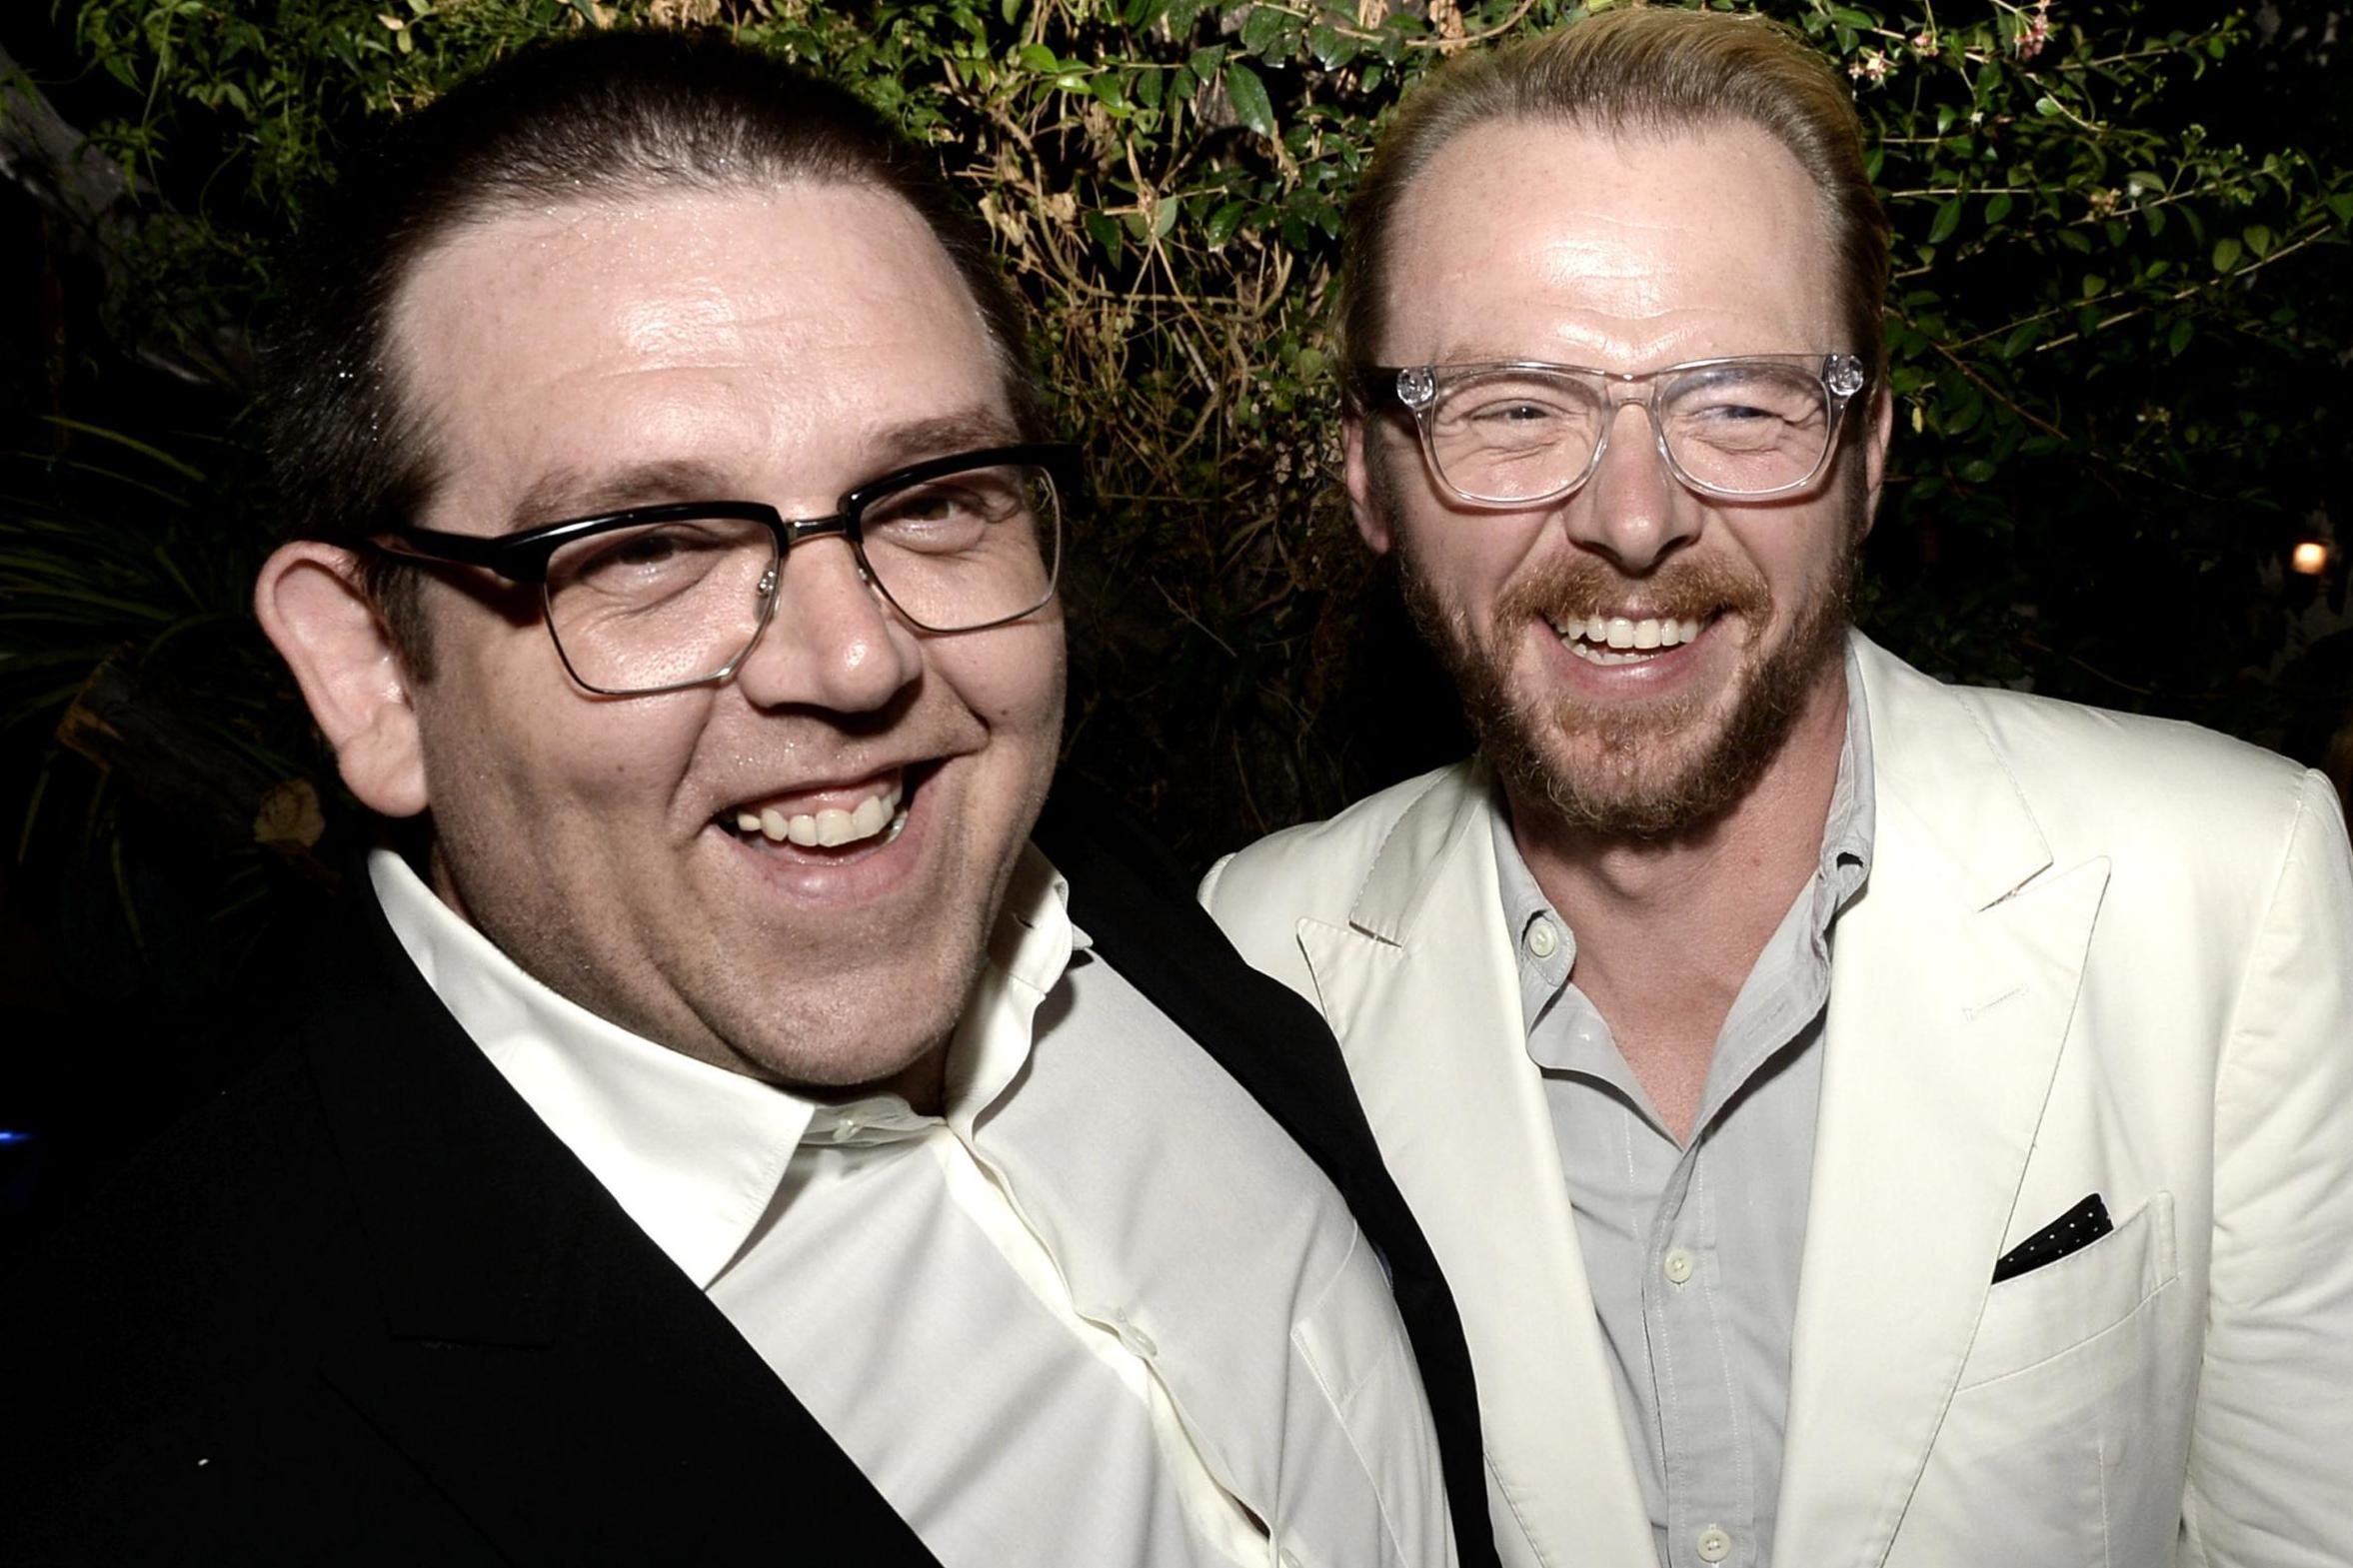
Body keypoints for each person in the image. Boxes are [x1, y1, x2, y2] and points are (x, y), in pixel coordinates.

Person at [0, 32, 1498, 1568]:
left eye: (929, 500)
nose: (856, 658)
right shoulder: (189, 1468)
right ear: (374, 671)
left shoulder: (1116, 905)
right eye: (646, 544)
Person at [1201, 10, 2353, 1567]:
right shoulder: (1251, 963)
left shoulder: (2221, 883)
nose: (1629, 516)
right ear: (1366, 471)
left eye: (1736, 402)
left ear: (1869, 450)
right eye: (1511, 406)